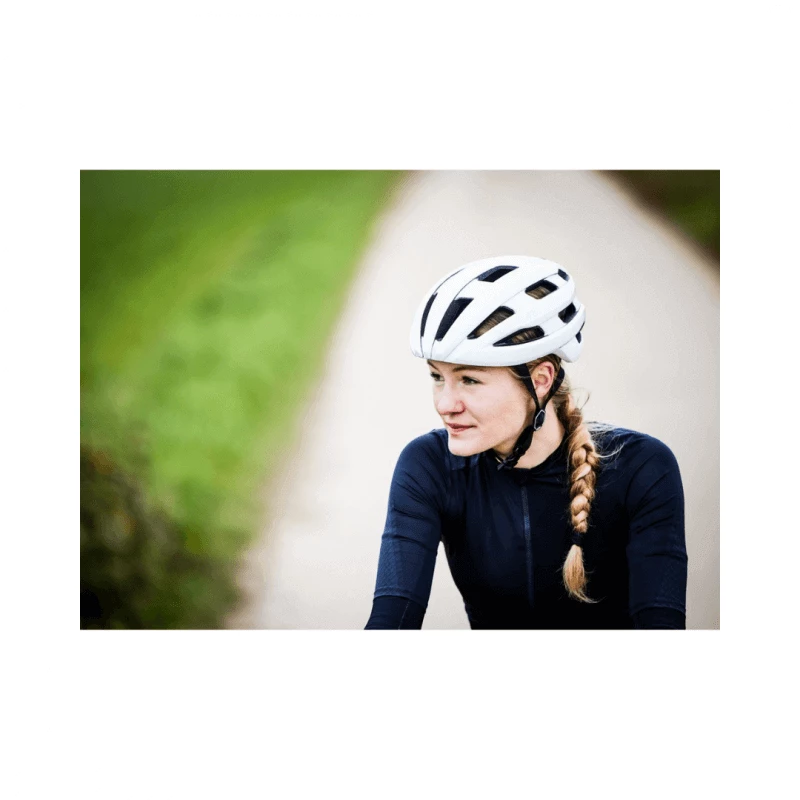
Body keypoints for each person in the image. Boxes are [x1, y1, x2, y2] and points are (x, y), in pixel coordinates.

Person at [365, 255, 688, 630]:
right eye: (438, 377)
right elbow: (392, 621)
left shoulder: (641, 468)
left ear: (540, 380)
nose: (444, 404)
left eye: (469, 380)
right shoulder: (429, 466)